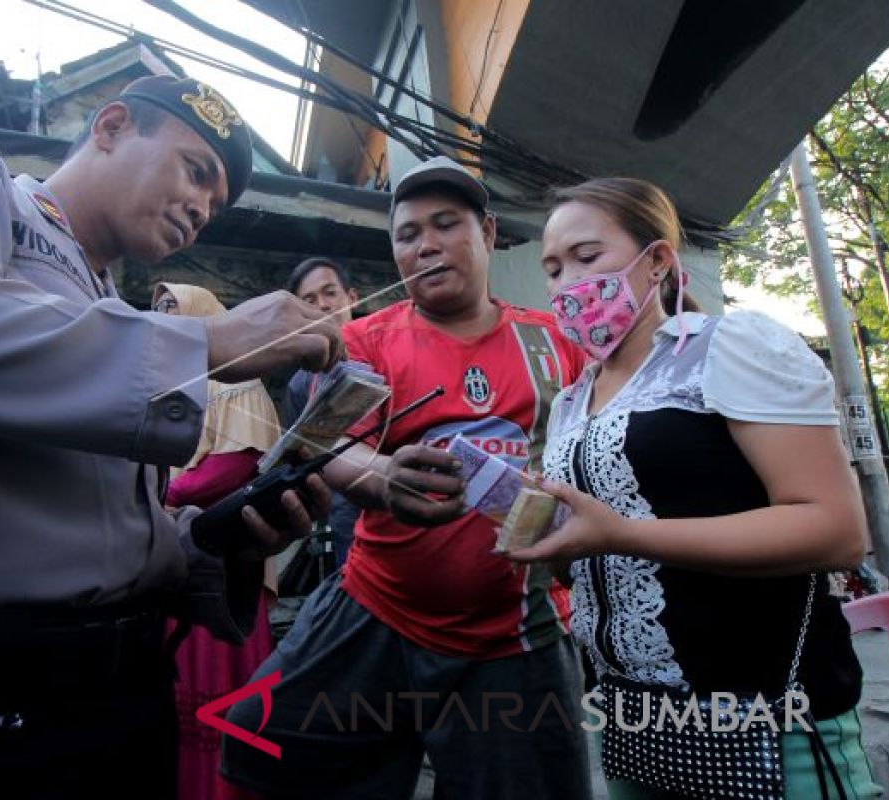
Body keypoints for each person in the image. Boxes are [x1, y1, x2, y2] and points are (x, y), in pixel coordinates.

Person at [0, 74, 341, 798]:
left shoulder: (109, 308)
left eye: (217, 201)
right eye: (196, 171)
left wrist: (210, 546)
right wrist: (198, 340)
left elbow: (84, 530)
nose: (203, 207)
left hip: (111, 697)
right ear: (108, 127)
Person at [222, 156, 592, 799]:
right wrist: (380, 475)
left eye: (447, 224)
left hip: (515, 632)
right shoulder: (366, 341)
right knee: (256, 738)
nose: (425, 244)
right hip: (375, 611)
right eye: (407, 233)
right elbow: (327, 443)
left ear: (489, 233)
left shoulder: (557, 344)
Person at [512, 176, 881, 799]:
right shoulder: (572, 401)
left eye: (587, 256)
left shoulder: (730, 348)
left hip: (768, 724)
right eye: (551, 269)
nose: (566, 284)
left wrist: (623, 533)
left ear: (656, 261)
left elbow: (837, 530)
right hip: (632, 726)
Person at [154, 282, 279, 800]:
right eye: (156, 310)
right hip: (168, 555)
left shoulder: (237, 375)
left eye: (173, 309)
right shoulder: (163, 384)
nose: (163, 318)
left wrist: (162, 491)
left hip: (223, 564)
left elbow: (239, 463)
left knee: (221, 695)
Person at [281, 258, 362, 566]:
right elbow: (297, 458)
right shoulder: (301, 384)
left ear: (352, 297)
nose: (323, 306)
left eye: (330, 293)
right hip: (347, 519)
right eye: (309, 301)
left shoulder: (392, 352)